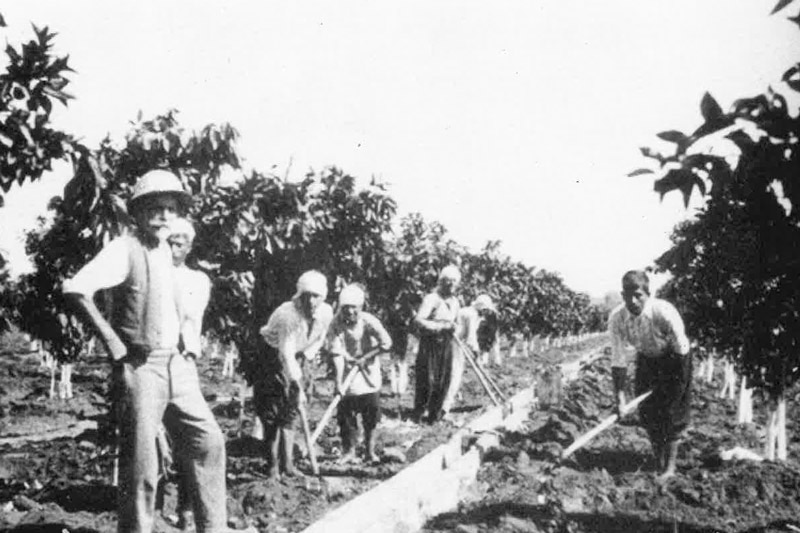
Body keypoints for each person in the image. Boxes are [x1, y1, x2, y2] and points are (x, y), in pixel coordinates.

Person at [63, 170, 231, 533]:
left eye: (171, 209)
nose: (164, 216)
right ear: (137, 212)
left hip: (179, 366)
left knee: (209, 443)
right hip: (142, 367)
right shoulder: (125, 248)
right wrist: (114, 345)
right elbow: (76, 290)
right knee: (142, 466)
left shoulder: (168, 253)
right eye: (154, 208)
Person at [608, 270, 692, 480]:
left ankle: (670, 469)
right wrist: (619, 398)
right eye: (628, 295)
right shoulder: (617, 318)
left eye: (638, 295)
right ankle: (659, 462)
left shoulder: (664, 312)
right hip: (647, 359)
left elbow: (681, 350)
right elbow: (618, 360)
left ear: (648, 294)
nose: (633, 301)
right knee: (649, 413)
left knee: (672, 412)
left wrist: (674, 386)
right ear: (622, 295)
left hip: (675, 359)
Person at [256, 270, 333, 479]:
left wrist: (306, 358)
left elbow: (320, 338)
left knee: (292, 412)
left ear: (323, 297)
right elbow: (285, 353)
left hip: (299, 357)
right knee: (273, 414)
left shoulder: (326, 313)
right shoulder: (287, 315)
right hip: (272, 358)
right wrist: (297, 385)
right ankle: (272, 467)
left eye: (315, 296)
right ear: (299, 295)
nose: (310, 301)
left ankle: (288, 465)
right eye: (306, 295)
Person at [326, 284, 392, 464]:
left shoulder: (368, 321)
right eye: (345, 307)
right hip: (348, 373)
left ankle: (370, 452)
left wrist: (367, 356)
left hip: (368, 373)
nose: (349, 311)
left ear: (360, 307)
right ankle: (349, 451)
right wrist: (339, 383)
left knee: (371, 414)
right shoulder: (336, 323)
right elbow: (337, 353)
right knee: (346, 415)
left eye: (353, 307)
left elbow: (386, 343)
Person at [412, 265, 462, 424]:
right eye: (448, 281)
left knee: (443, 379)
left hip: (446, 344)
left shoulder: (455, 302)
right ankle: (419, 413)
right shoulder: (432, 299)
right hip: (430, 343)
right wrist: (440, 326)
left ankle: (435, 414)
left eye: (454, 282)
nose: (451, 285)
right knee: (427, 379)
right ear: (442, 281)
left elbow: (458, 323)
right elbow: (419, 321)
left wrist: (454, 328)